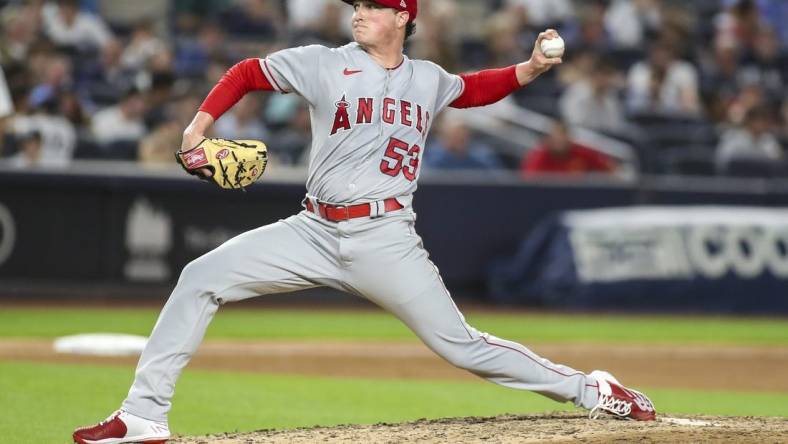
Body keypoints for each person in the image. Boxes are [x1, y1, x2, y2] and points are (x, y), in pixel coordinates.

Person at [73, 2, 656, 443]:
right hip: (312, 230)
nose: (359, 14)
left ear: (402, 17)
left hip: (385, 238)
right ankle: (144, 416)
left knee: (463, 348)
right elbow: (248, 71)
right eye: (356, 5)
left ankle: (592, 389)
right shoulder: (325, 64)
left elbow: (474, 89)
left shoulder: (426, 78)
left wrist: (529, 67)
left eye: (373, 7)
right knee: (200, 276)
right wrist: (197, 129)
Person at [521, 121, 616, 176]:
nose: (560, 141)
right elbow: (528, 180)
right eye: (556, 137)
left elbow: (609, 168)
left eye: (563, 136)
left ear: (569, 138)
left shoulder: (581, 151)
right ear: (549, 139)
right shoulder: (539, 156)